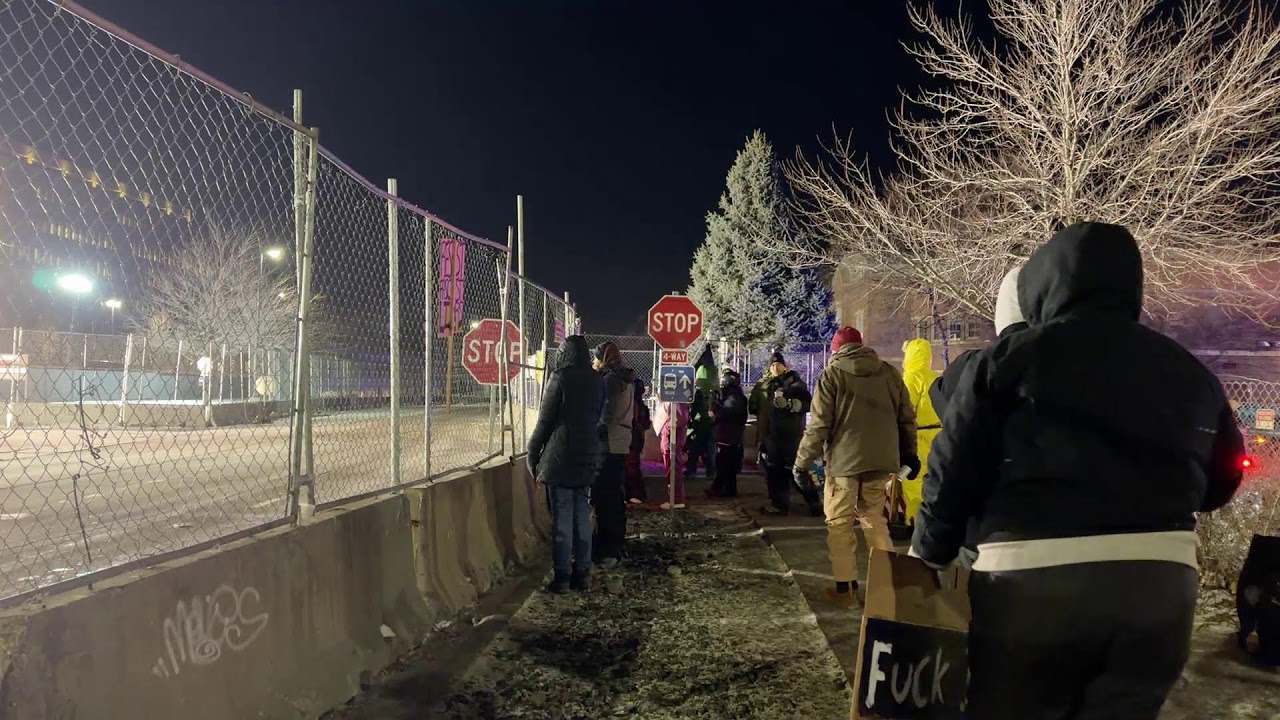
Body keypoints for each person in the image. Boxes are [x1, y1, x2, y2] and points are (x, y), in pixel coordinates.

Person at [911, 222, 1245, 719]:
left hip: (1030, 584)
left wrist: (929, 554)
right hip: (1159, 590)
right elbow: (1222, 479)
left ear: (1045, 284)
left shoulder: (1008, 361)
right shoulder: (1188, 371)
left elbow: (953, 463)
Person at [795, 327, 918, 608]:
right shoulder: (888, 372)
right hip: (881, 463)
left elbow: (819, 424)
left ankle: (845, 591)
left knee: (839, 525)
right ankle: (885, 590)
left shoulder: (832, 375)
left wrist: (802, 462)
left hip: (843, 465)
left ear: (836, 349)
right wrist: (909, 454)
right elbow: (906, 418)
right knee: (875, 522)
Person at [927, 266, 1027, 568]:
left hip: (985, 533)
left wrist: (929, 548)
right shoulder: (1085, 372)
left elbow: (950, 465)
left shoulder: (976, 368)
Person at [526, 335, 604, 593]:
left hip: (561, 456)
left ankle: (561, 577)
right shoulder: (597, 380)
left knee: (562, 518)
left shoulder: (560, 378)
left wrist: (532, 453)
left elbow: (545, 421)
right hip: (587, 454)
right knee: (582, 514)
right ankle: (582, 574)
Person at [749, 352, 812, 515]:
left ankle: (814, 503)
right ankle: (779, 505)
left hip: (791, 435)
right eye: (772, 365)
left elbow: (809, 404)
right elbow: (764, 411)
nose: (775, 367)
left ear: (785, 366)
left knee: (796, 472)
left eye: (778, 364)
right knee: (775, 472)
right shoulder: (770, 385)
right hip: (774, 435)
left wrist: (790, 404)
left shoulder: (797, 385)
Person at [593, 341, 635, 569]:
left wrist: (595, 430)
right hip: (621, 441)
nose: (593, 362)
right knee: (615, 497)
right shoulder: (626, 379)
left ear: (604, 358)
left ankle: (608, 550)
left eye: (596, 358)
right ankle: (616, 544)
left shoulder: (609, 380)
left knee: (604, 497)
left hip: (608, 443)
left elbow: (605, 412)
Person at [898, 338, 939, 526]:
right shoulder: (936, 377)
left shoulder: (911, 378)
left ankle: (913, 520)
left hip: (918, 436)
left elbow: (906, 409)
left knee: (912, 480)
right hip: (938, 435)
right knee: (933, 478)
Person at [708, 368, 749, 498]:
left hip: (729, 436)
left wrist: (715, 411)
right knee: (726, 463)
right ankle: (722, 488)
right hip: (729, 435)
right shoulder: (732, 395)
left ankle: (724, 489)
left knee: (725, 463)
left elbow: (726, 414)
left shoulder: (734, 397)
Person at [684, 364, 717, 483]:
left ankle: (691, 470)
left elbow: (692, 409)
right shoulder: (714, 392)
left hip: (698, 425)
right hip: (710, 425)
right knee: (709, 451)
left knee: (694, 450)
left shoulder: (697, 393)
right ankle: (711, 472)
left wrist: (690, 421)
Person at [654, 399, 689, 507]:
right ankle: (674, 498)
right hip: (669, 438)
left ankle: (676, 499)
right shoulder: (674, 398)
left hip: (672, 439)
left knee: (674, 469)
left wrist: (668, 428)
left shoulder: (677, 398)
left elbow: (680, 419)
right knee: (671, 469)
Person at [625, 377, 651, 505]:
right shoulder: (641, 406)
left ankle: (636, 494)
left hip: (632, 438)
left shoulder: (633, 405)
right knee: (633, 466)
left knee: (631, 467)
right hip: (637, 438)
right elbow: (647, 424)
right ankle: (637, 493)